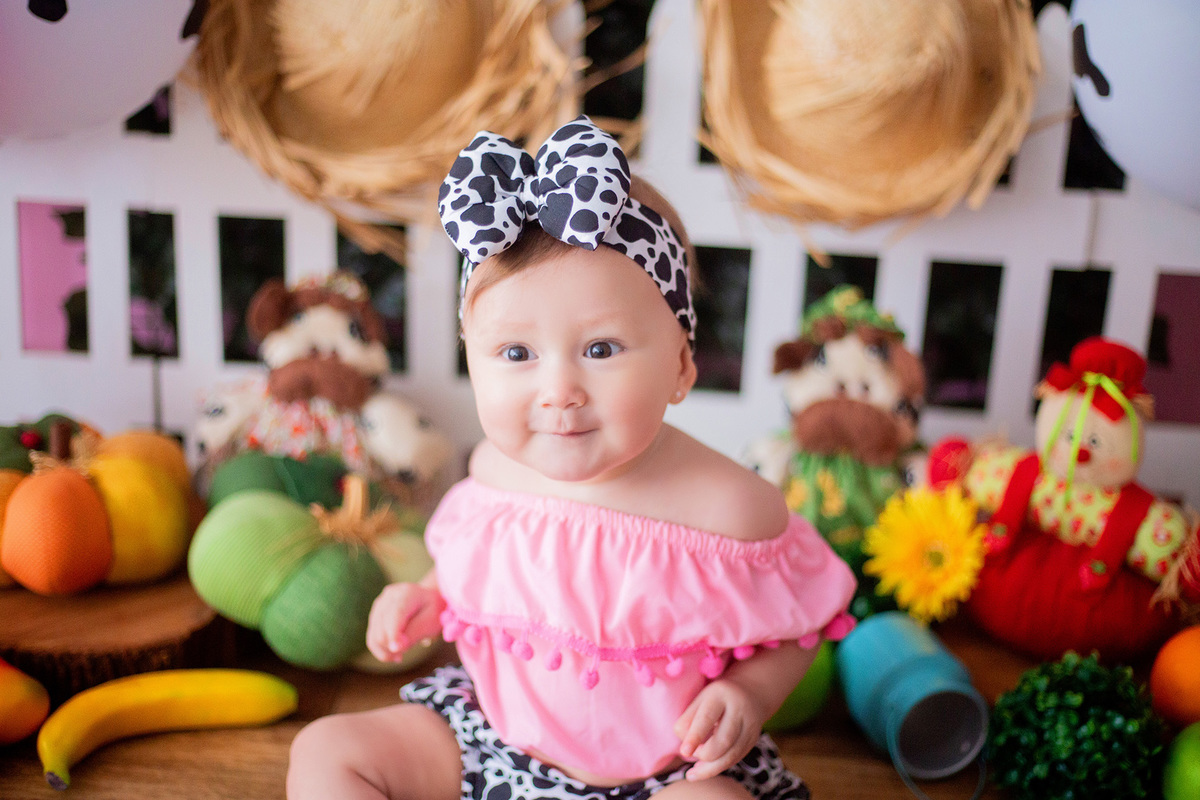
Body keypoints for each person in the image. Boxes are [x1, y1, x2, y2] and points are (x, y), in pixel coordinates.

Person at [286, 116, 857, 800]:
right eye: (517, 355)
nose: (559, 392)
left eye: (601, 349)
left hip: (666, 776)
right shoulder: (494, 477)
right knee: (329, 748)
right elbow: (478, 572)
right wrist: (427, 597)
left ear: (680, 364)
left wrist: (748, 696)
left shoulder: (730, 505)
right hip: (491, 743)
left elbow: (798, 626)